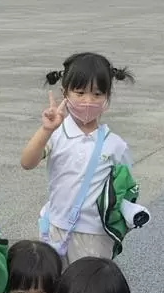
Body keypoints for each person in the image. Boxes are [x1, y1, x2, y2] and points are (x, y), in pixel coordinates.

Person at [21, 52, 147, 264]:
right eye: (79, 93)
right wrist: (45, 130)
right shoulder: (56, 134)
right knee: (54, 292)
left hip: (96, 235)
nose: (88, 101)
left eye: (97, 94)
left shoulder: (115, 144)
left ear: (107, 96)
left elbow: (124, 187)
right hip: (56, 228)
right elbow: (27, 162)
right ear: (65, 93)